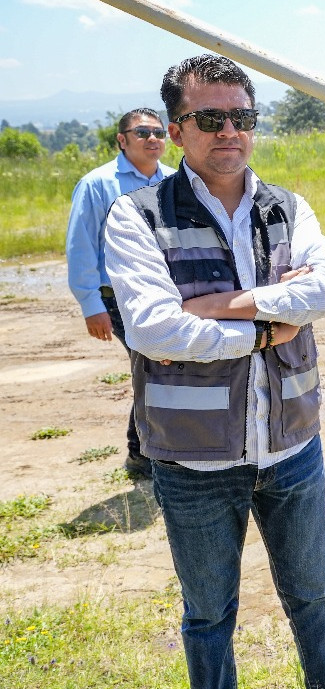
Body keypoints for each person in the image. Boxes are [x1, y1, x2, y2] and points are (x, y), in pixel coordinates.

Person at [102, 54, 325, 689]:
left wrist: (225, 304)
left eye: (242, 116)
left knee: (312, 596)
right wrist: (261, 327)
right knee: (207, 615)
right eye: (211, 117)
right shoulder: (136, 217)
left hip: (292, 447)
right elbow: (157, 331)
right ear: (177, 127)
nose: (230, 131)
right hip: (193, 458)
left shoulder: (287, 207)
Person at [65, 107, 175, 479]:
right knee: (156, 364)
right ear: (122, 140)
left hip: (169, 292)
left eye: (158, 132)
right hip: (118, 297)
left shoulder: (176, 182)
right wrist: (90, 304)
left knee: (161, 366)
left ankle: (152, 452)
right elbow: (80, 247)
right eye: (142, 133)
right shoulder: (98, 185)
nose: (152, 139)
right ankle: (143, 455)